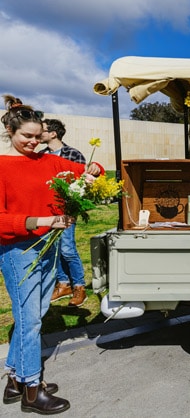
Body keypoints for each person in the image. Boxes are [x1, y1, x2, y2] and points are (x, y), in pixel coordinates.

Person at [0, 94, 102, 414]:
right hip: (18, 252)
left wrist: (91, 174)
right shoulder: (2, 166)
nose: (31, 142)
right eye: (24, 137)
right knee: (29, 322)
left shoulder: (50, 161)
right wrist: (42, 220)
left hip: (48, 249)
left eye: (36, 136)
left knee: (34, 315)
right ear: (11, 134)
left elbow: (89, 170)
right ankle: (32, 390)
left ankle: (14, 382)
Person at [38, 119, 87, 307]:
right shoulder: (40, 156)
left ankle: (79, 287)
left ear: (53, 133)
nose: (38, 134)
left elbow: (82, 184)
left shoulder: (73, 154)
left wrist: (74, 209)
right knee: (54, 249)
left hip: (67, 210)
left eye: (42, 130)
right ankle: (63, 283)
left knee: (67, 249)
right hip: (48, 211)